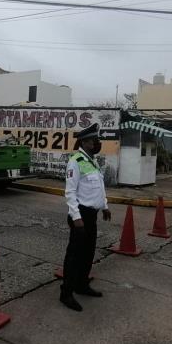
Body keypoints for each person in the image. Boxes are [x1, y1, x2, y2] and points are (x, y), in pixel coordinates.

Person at [61, 124, 112, 311]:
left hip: (92, 215)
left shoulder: (92, 161)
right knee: (74, 256)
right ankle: (66, 293)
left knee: (88, 253)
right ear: (84, 142)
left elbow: (99, 186)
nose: (97, 143)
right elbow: (70, 192)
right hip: (80, 215)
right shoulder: (75, 161)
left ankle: (81, 285)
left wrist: (105, 206)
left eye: (96, 140)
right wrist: (76, 217)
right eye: (93, 140)